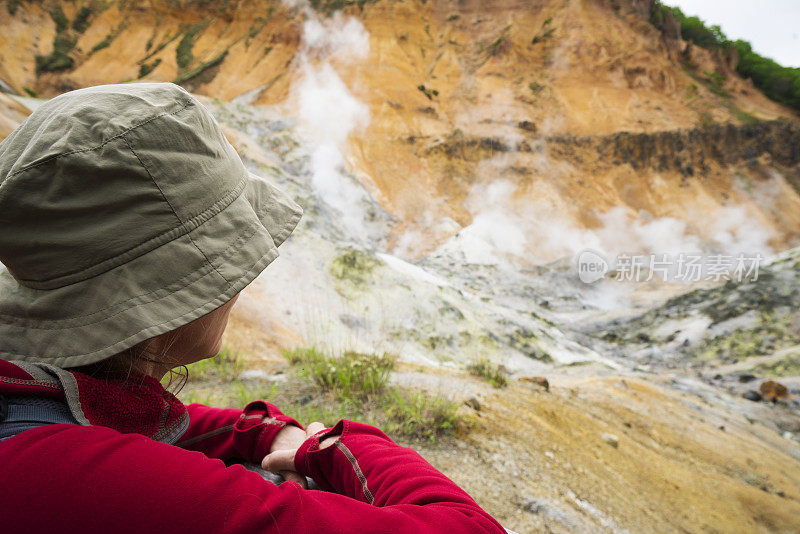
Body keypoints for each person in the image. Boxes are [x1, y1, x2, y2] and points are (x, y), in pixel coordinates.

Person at [0, 82, 507, 533]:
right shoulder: (81, 479)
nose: (242, 280)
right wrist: (343, 447)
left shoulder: (34, 410)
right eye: (225, 257)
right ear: (169, 289)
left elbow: (152, 420)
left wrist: (262, 430)